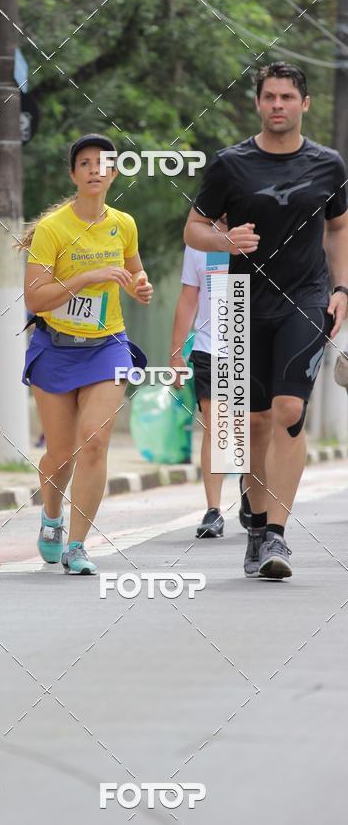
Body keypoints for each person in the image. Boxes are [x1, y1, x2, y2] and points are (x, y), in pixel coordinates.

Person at [185, 61, 348, 579]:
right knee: (248, 424)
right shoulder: (230, 165)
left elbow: (339, 228)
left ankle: (275, 534)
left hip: (304, 298)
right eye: (269, 97)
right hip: (239, 300)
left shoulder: (328, 165)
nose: (278, 105)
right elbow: (194, 228)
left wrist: (342, 288)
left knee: (287, 411)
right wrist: (222, 240)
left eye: (287, 97)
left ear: (305, 105)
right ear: (258, 104)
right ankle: (255, 522)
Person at [19, 134, 153, 575]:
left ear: (115, 173)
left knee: (93, 441)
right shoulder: (53, 229)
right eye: (86, 163)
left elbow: (134, 271)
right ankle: (52, 518)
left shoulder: (125, 224)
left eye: (105, 164)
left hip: (107, 345)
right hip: (56, 347)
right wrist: (88, 276)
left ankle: (78, 545)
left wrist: (140, 286)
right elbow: (36, 299)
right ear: (73, 173)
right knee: (60, 454)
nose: (96, 169)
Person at [169, 245, 243, 538]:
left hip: (251, 344)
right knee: (216, 424)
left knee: (247, 426)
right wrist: (176, 354)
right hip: (208, 348)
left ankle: (252, 499)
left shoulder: (262, 229)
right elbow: (188, 298)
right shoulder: (200, 243)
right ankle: (214, 510)